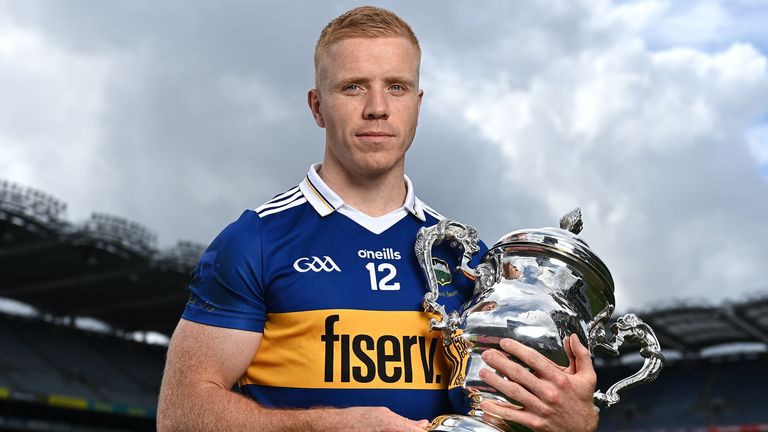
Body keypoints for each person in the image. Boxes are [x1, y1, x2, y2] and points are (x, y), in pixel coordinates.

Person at [157, 6, 598, 432]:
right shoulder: (255, 240)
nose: (377, 108)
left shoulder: (467, 258)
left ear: (418, 104)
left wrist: (572, 423)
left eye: (397, 87)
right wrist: (320, 427)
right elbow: (180, 415)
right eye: (353, 87)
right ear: (317, 106)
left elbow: (505, 412)